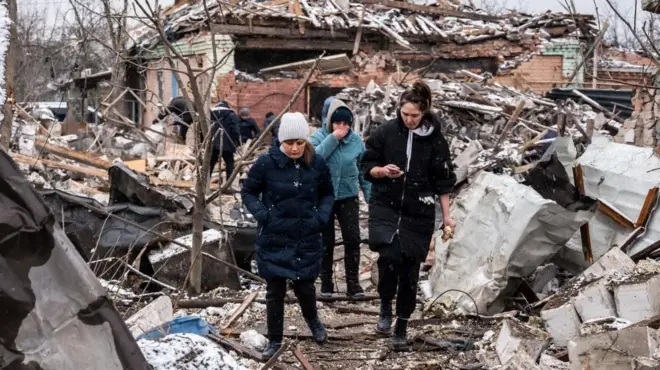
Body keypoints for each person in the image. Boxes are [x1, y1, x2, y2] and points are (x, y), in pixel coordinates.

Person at [360, 80, 456, 351]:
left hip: (419, 209)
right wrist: (380, 171)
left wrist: (447, 217)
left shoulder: (436, 140)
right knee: (389, 257)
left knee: (411, 267)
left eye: (414, 115)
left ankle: (401, 324)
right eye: (405, 114)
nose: (409, 120)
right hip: (386, 204)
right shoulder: (387, 132)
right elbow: (366, 162)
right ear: (399, 111)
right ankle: (385, 307)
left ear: (424, 112)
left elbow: (444, 181)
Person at [241, 112, 334, 358]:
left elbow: (327, 194)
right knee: (275, 291)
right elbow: (248, 192)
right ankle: (274, 339)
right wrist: (264, 214)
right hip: (275, 237)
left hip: (307, 236)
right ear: (280, 141)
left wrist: (320, 217)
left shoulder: (317, 163)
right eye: (289, 143)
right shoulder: (265, 163)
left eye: (300, 143)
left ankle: (314, 321)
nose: (294, 148)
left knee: (305, 287)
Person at [309, 97, 371, 299]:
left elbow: (364, 171)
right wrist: (333, 138)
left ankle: (353, 284)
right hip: (324, 196)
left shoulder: (356, 141)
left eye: (345, 123)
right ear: (329, 122)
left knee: (352, 239)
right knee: (325, 241)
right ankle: (326, 283)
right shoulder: (318, 138)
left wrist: (370, 197)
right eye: (337, 123)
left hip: (348, 195)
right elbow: (313, 159)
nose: (342, 127)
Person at [209, 101, 240, 181]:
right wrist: (236, 142)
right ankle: (228, 183)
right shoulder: (232, 115)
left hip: (213, 143)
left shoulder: (211, 115)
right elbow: (235, 130)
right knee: (229, 163)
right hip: (227, 144)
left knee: (211, 163)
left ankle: (206, 182)